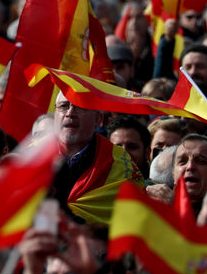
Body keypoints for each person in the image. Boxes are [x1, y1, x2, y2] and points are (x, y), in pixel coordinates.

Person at [51, 91, 144, 224]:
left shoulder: (120, 164)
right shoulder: (32, 158)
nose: (70, 113)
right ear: (54, 114)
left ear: (98, 120)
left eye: (80, 106)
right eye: (63, 106)